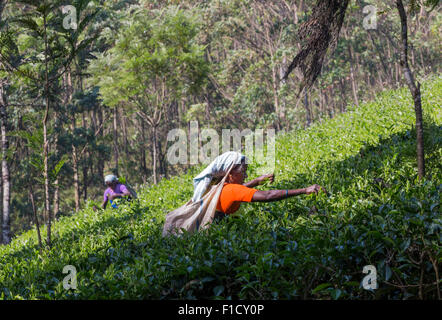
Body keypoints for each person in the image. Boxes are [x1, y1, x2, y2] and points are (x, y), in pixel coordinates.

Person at [212, 154, 326, 220]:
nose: (246, 175)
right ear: (230, 173)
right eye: (243, 172)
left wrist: (257, 181)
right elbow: (267, 195)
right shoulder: (232, 190)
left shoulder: (220, 187)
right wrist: (304, 190)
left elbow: (239, 190)